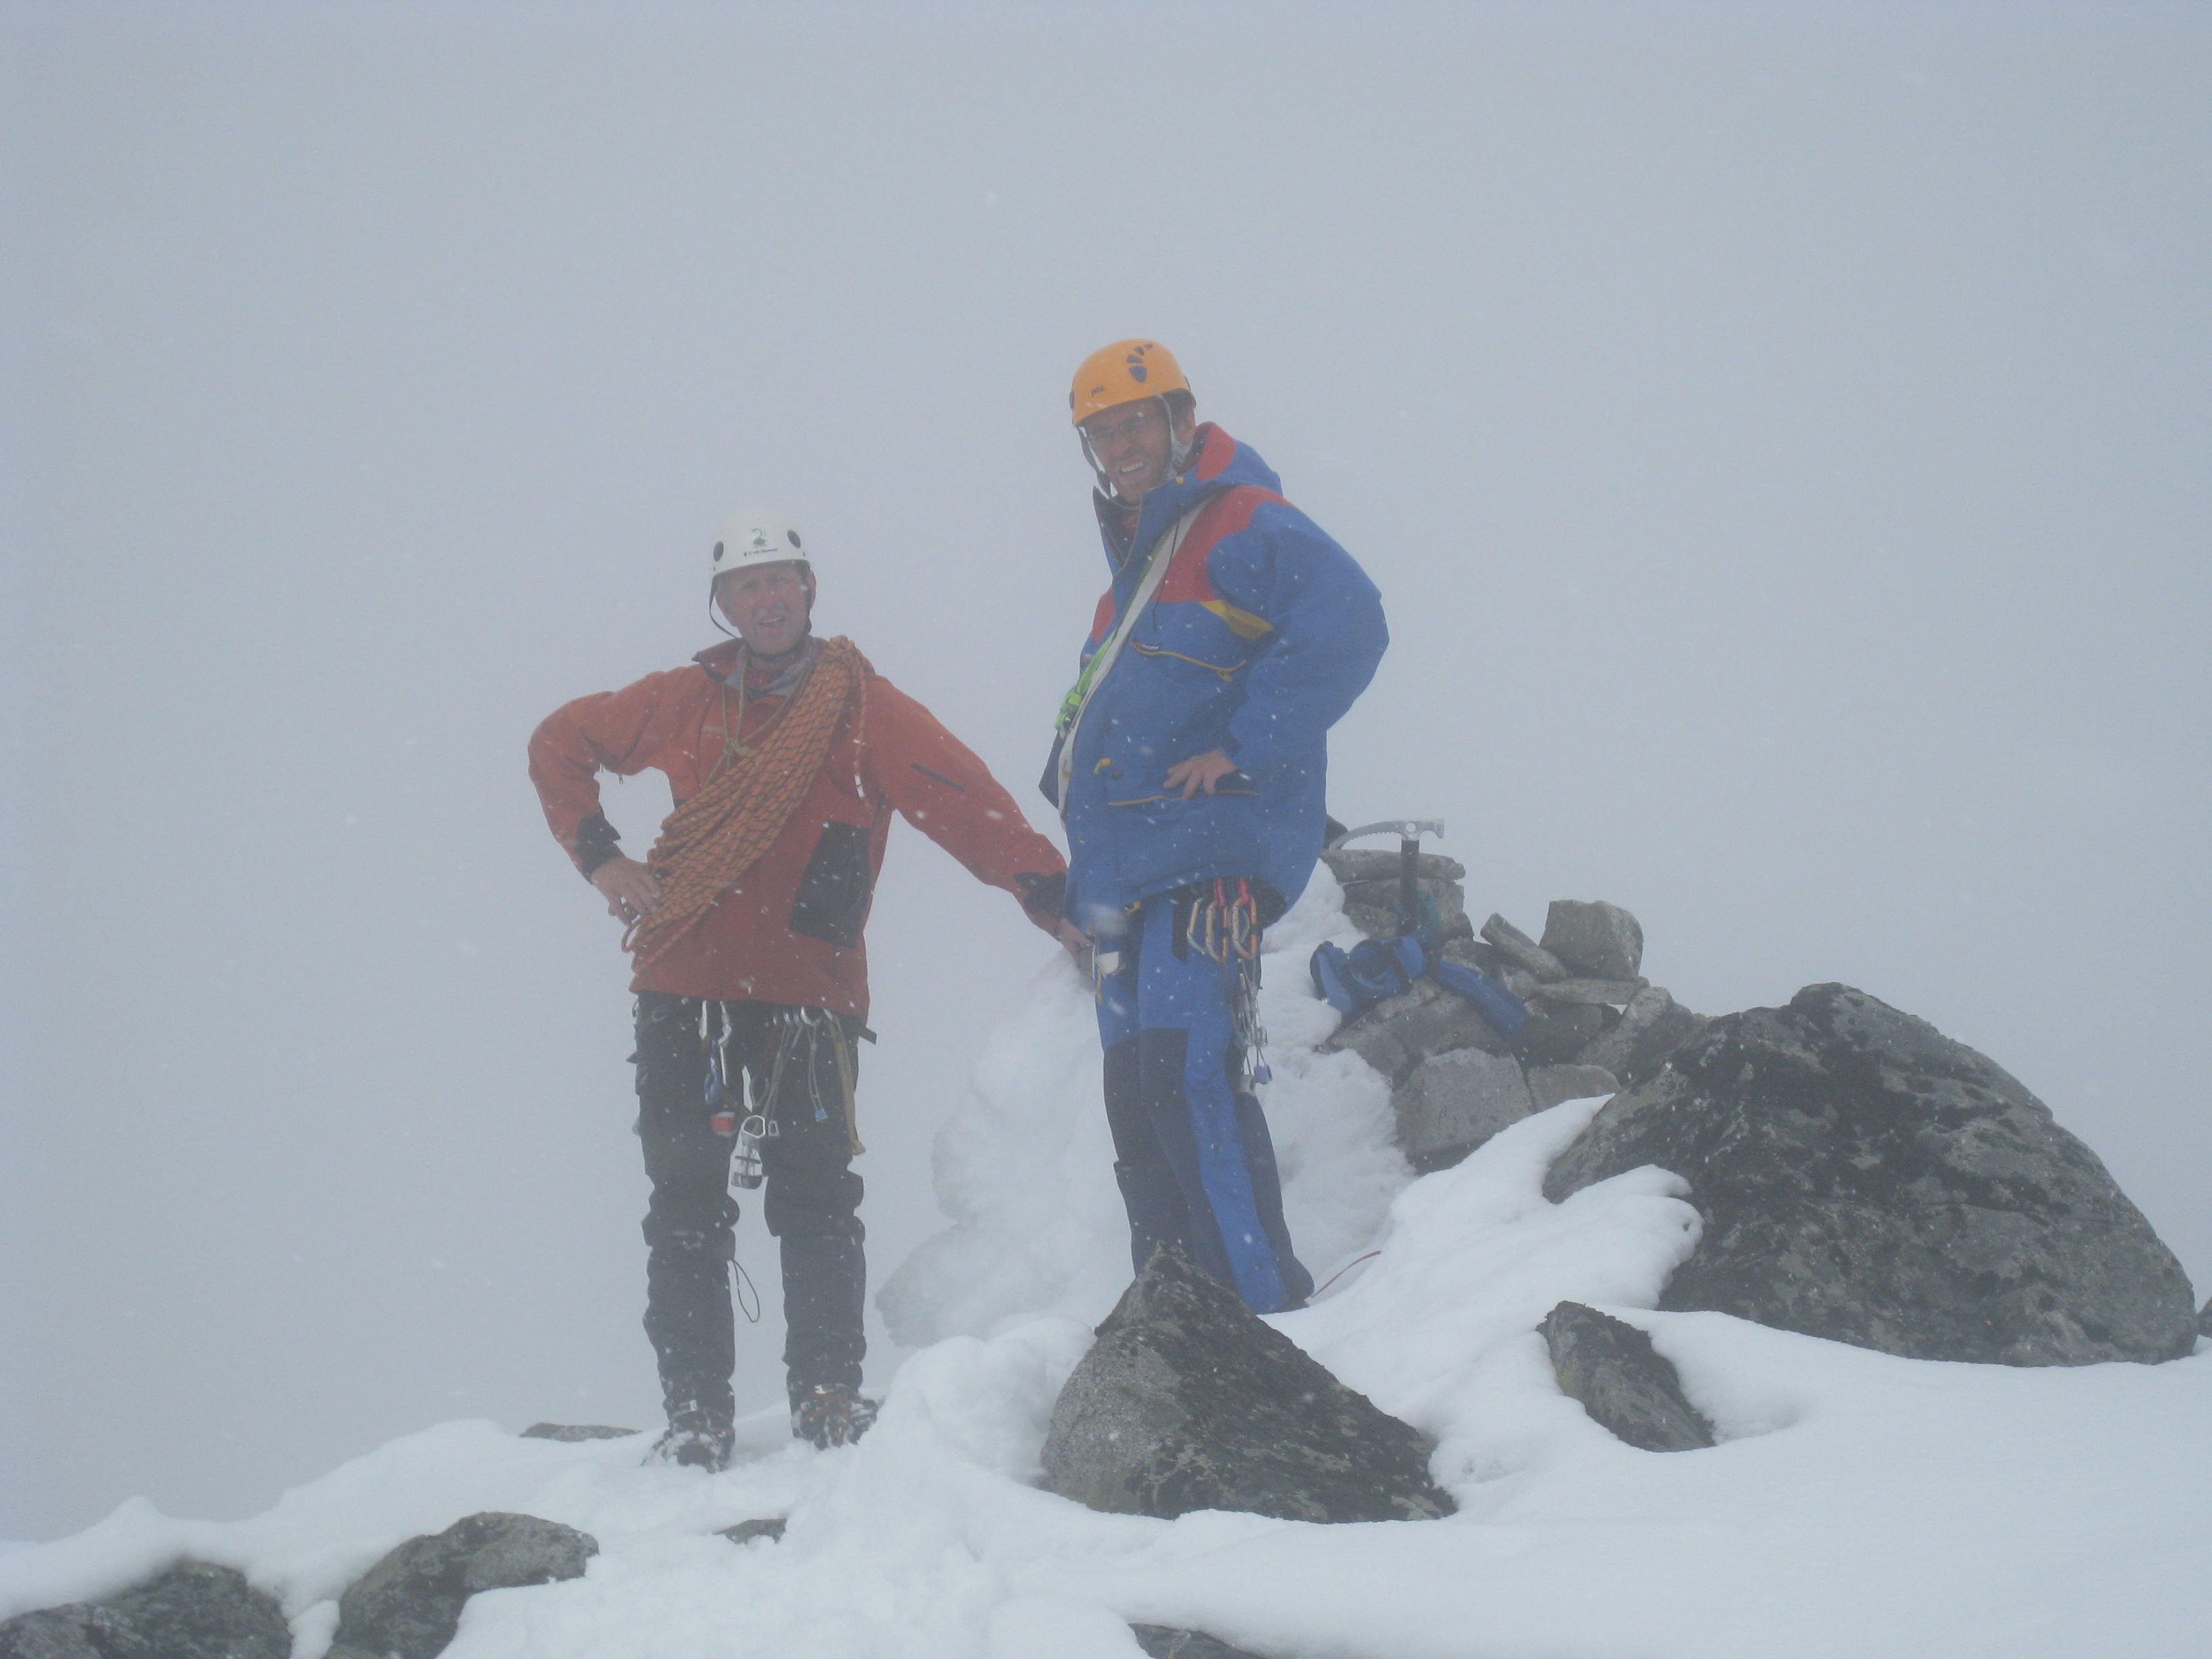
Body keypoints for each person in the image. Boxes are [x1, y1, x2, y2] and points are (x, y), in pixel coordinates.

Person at [530, 511, 1073, 1468]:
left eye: (781, 579)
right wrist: (601, 858)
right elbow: (558, 742)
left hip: (809, 994)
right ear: (723, 603)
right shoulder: (684, 700)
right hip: (686, 982)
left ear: (810, 588)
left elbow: (964, 802)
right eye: (747, 585)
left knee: (816, 1199)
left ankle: (826, 1395)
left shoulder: (864, 709)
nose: (767, 598)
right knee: (686, 1206)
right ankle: (697, 1416)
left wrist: (1051, 896)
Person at [1045, 340, 1388, 1315]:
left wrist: (1243, 745)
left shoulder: (1239, 521)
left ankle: (1260, 1315)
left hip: (1203, 859)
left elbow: (1349, 620)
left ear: (1181, 420)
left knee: (1187, 1081)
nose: (1121, 447)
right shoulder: (1133, 579)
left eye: (1135, 424)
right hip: (1130, 878)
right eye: (1102, 434)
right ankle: (1178, 1324)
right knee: (1138, 1102)